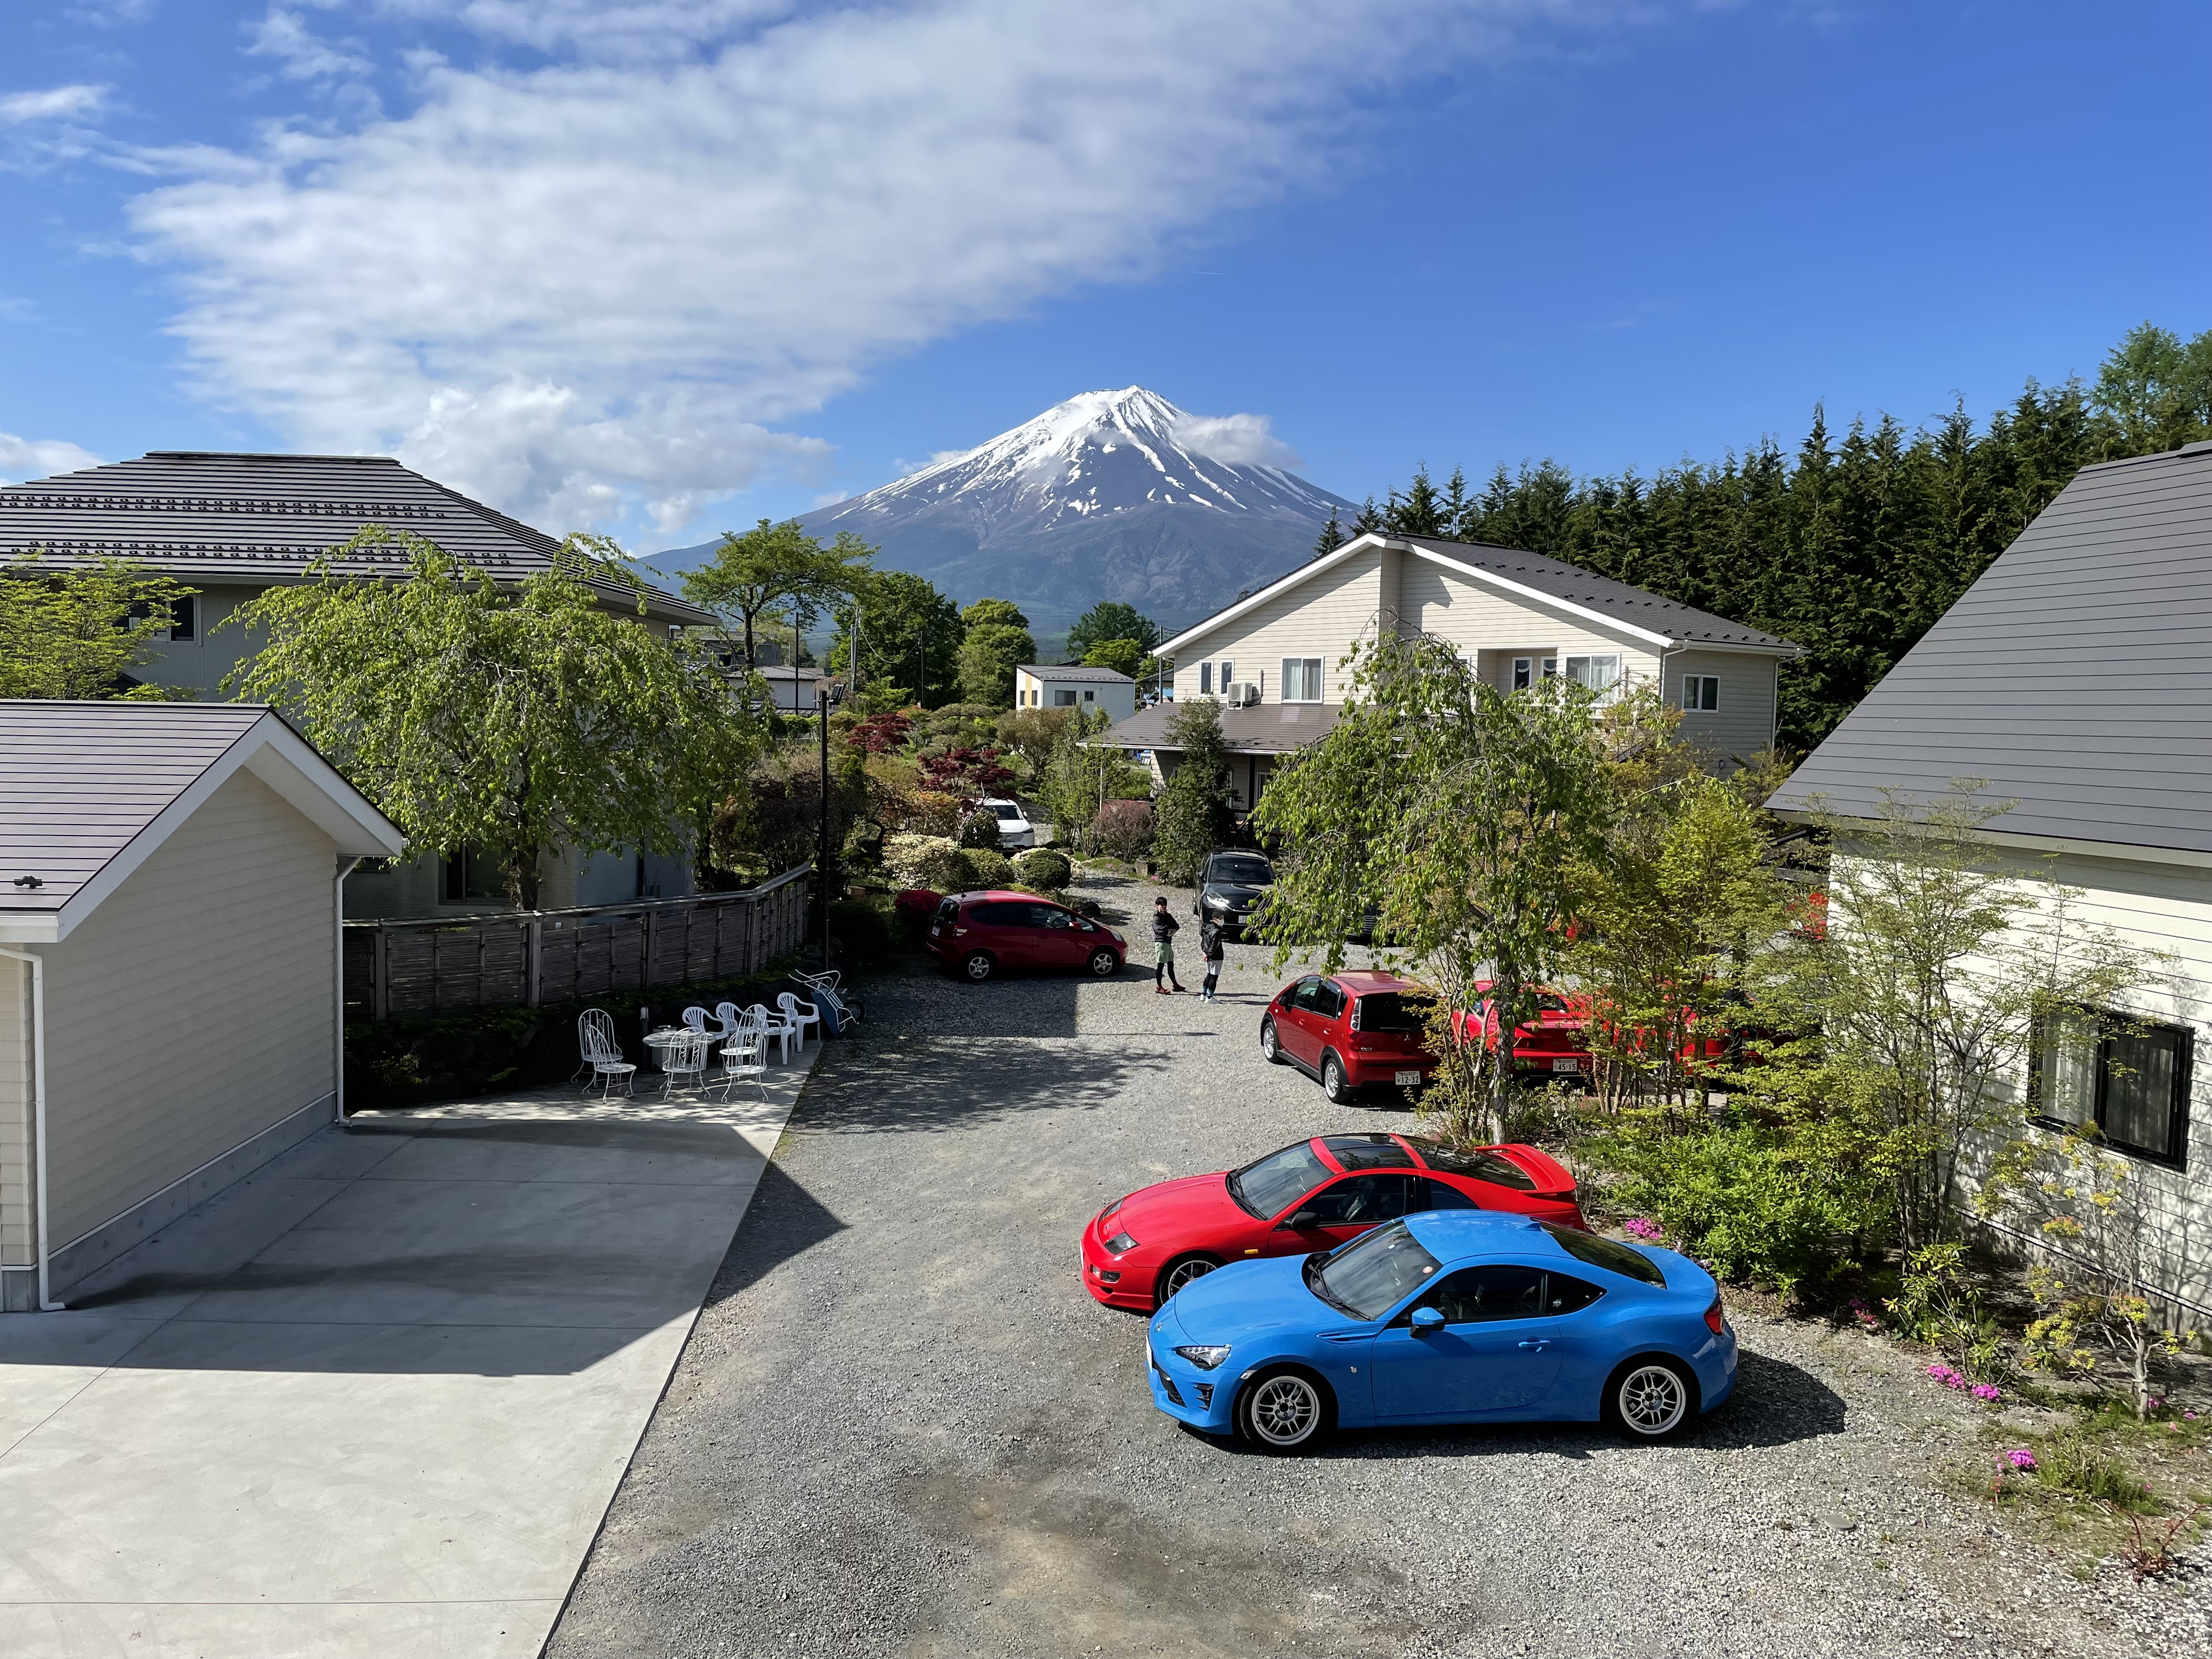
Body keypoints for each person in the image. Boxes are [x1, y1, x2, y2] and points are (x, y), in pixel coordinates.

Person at [1150, 896, 1183, 994]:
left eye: (1165, 905)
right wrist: (1169, 931)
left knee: (1171, 964)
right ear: (1157, 906)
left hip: (1168, 943)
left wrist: (1170, 931)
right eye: (1161, 905)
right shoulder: (1157, 918)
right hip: (1161, 943)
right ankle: (1159, 986)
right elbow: (1159, 930)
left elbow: (1176, 926)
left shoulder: (1168, 916)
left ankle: (1175, 984)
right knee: (1160, 965)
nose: (1163, 907)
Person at [1198, 915, 1225, 1002]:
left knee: (1209, 975)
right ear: (1215, 919)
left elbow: (1203, 942)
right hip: (1215, 957)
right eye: (1221, 918)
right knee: (1214, 977)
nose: (1222, 920)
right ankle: (1210, 997)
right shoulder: (1216, 931)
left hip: (1207, 955)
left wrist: (1205, 953)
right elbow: (1214, 946)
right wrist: (1209, 955)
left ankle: (1203, 994)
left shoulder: (1207, 928)